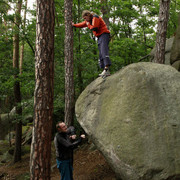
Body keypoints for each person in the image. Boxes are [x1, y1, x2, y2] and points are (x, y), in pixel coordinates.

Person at [72, 10, 111, 78]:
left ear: (88, 15)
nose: (85, 20)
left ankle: (106, 69)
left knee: (104, 51)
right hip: (99, 37)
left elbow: (95, 28)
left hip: (104, 35)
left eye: (85, 18)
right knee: (101, 54)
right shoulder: (88, 21)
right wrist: (74, 25)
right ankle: (105, 70)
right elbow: (82, 24)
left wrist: (88, 25)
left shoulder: (95, 17)